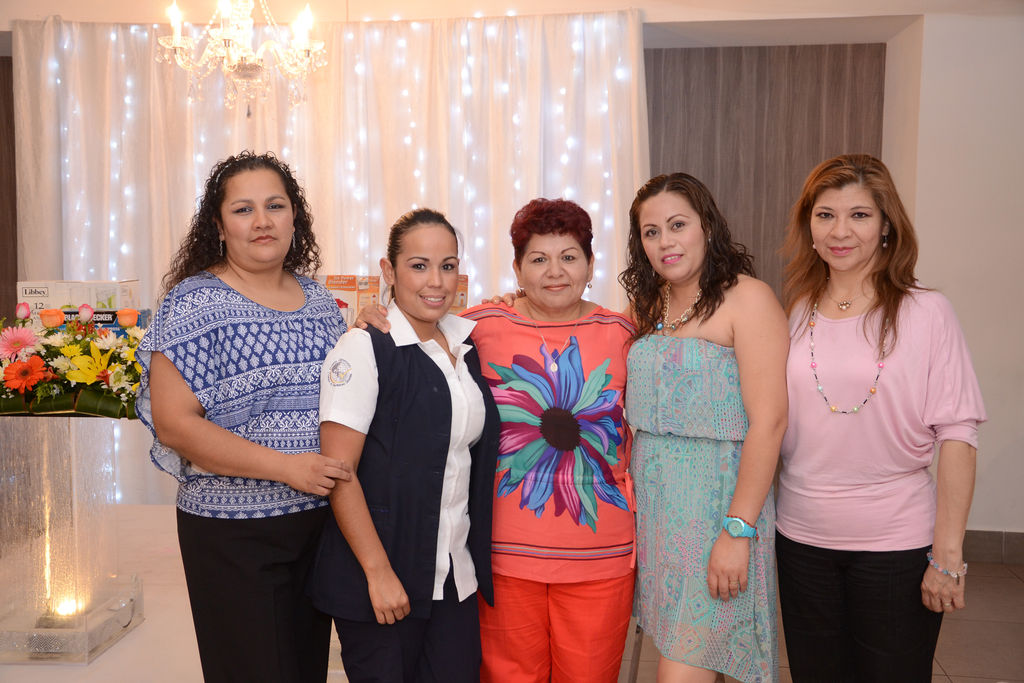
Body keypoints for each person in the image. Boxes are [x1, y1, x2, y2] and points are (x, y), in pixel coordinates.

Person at [360, 198, 637, 682]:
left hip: (600, 561)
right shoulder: (481, 327)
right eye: (538, 259)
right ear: (517, 269)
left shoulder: (623, 335)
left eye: (569, 257)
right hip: (503, 559)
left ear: (591, 264)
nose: (555, 272)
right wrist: (373, 315)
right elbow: (415, 324)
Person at [137, 150, 350, 682]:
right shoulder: (193, 304)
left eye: (275, 206)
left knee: (305, 670)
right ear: (218, 225)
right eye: (243, 209)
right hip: (233, 534)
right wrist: (288, 467)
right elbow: (176, 424)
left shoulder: (321, 303)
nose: (262, 221)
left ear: (294, 217)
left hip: (317, 527)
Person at [775, 154, 986, 682]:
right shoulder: (796, 310)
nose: (840, 231)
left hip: (896, 545)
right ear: (808, 225)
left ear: (887, 225)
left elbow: (958, 433)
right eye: (825, 215)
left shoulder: (927, 312)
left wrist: (948, 554)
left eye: (860, 215)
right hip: (801, 540)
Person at [306, 208, 501, 683]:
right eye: (419, 265)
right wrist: (378, 573)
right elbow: (339, 472)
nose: (436, 281)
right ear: (389, 271)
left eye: (448, 266)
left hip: (453, 576)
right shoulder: (364, 347)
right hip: (383, 576)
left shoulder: (465, 348)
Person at [620, 173, 788, 683]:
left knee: (682, 669)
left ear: (707, 228)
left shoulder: (748, 299)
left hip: (718, 511)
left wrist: (737, 530)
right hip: (656, 517)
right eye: (651, 232)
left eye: (678, 225)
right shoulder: (646, 305)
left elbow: (770, 422)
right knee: (672, 652)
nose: (665, 242)